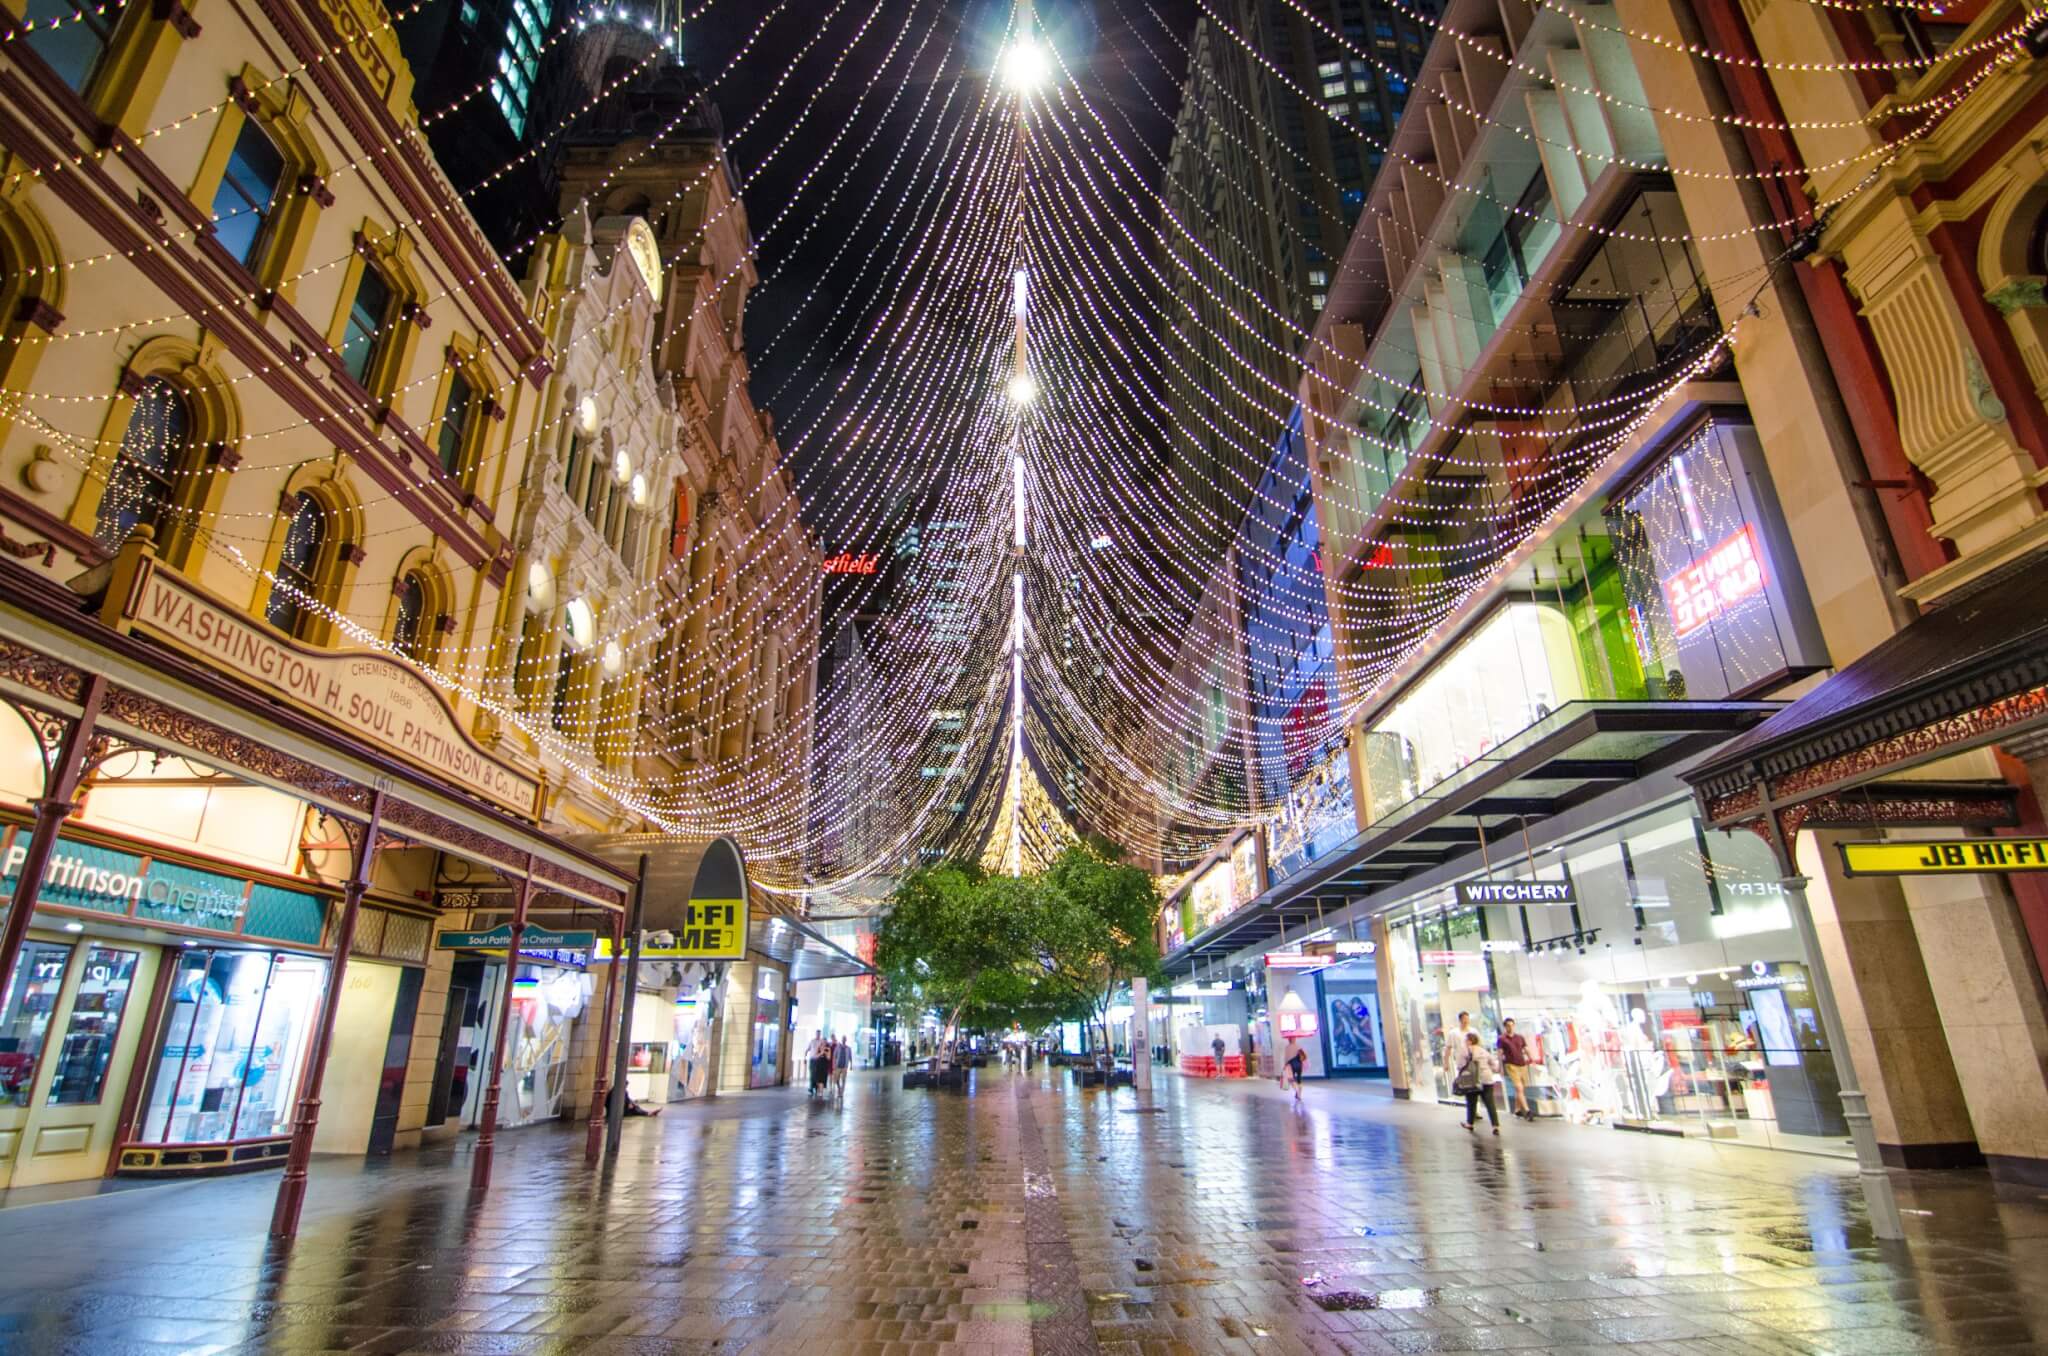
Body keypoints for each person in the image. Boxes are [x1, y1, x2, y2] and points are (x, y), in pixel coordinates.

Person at [1454, 1032, 1500, 1134]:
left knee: (1471, 1102)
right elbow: (1493, 1065)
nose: (1465, 1042)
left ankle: (1470, 1123)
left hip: (1472, 1080)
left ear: (1469, 1041)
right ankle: (1495, 1126)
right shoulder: (1483, 1051)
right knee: (1490, 1103)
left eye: (1466, 1040)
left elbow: (1460, 1065)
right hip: (1487, 1079)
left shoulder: (1465, 1051)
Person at [1497, 1018, 1535, 1121]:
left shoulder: (1520, 1037)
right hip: (1511, 1065)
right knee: (1519, 1087)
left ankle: (1517, 1110)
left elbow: (1525, 1048)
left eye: (1512, 1025)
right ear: (1505, 1027)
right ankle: (1527, 1110)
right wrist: (1500, 1067)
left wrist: (1531, 1058)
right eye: (1508, 1025)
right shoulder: (1502, 1039)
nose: (1510, 1027)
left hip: (1522, 1064)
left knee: (1521, 1088)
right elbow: (1500, 1054)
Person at [1284, 1036, 1307, 1103]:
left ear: (1288, 1040)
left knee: (1291, 1079)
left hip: (1291, 1065)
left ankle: (1297, 1092)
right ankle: (1298, 1095)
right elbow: (1304, 1056)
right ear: (1294, 1039)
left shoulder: (1287, 1047)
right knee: (1299, 1079)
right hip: (1299, 1065)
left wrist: (1285, 1065)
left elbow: (1286, 1058)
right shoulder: (1298, 1046)